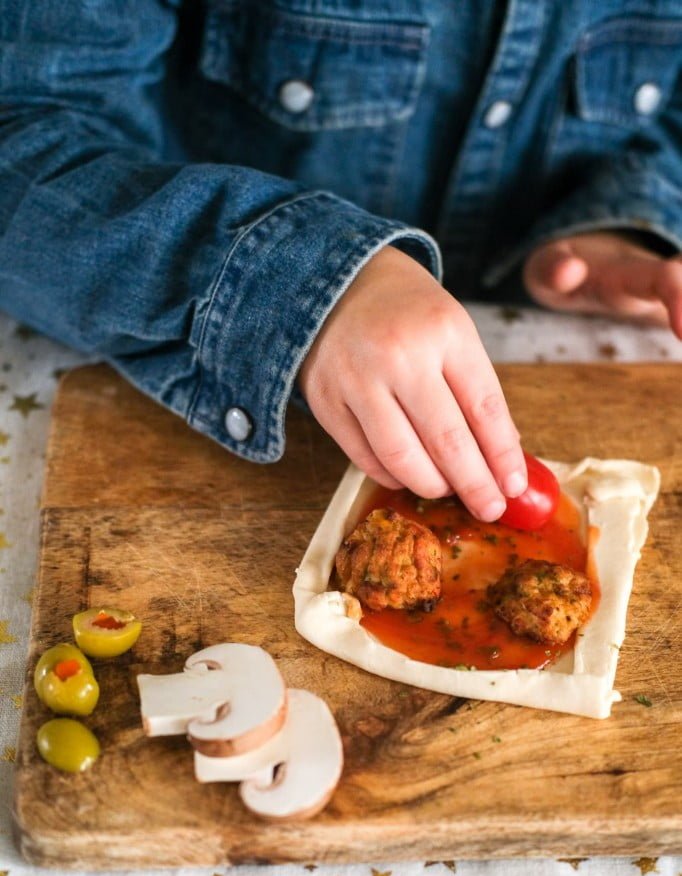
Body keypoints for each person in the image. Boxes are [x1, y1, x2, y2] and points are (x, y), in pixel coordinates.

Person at [1, 1, 680, 522]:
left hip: (560, 325)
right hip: (164, 357)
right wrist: (304, 286)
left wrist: (625, 215)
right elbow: (21, 128)